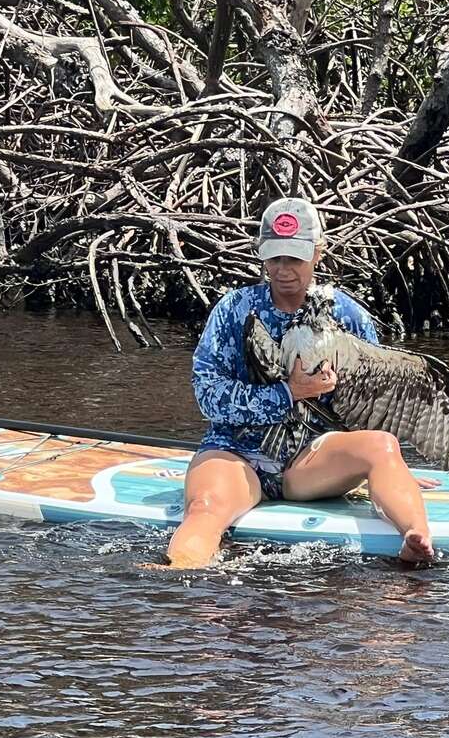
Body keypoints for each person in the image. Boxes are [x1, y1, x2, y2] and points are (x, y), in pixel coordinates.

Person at [165, 197, 435, 569]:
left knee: (383, 446)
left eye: (294, 258)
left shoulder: (348, 315)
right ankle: (177, 574)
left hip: (312, 461)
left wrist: (389, 469)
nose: (283, 270)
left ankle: (415, 540)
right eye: (274, 257)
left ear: (317, 254)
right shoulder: (234, 309)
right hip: (236, 452)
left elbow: (371, 399)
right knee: (205, 507)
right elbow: (208, 396)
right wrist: (288, 393)